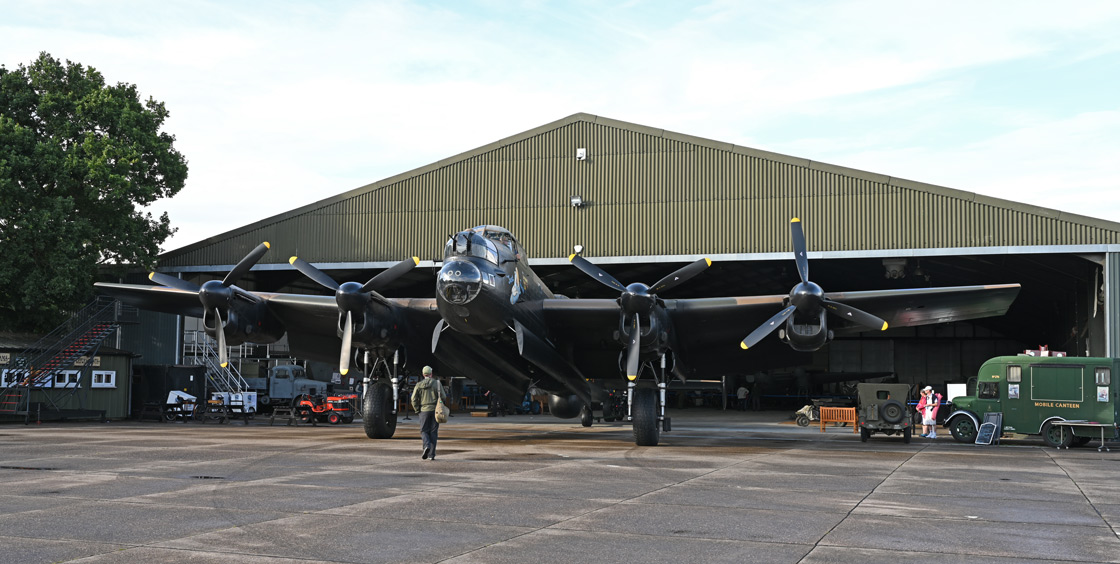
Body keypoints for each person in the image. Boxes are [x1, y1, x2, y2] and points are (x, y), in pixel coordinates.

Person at [410, 366, 448, 460]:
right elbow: (443, 396)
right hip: (435, 411)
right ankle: (432, 455)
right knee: (433, 432)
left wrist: (417, 409)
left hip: (423, 410)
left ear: (423, 374)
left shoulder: (418, 385)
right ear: (431, 374)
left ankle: (426, 446)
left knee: (424, 431)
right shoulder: (437, 383)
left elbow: (413, 399)